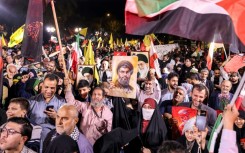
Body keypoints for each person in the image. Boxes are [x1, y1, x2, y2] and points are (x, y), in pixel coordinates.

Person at [65, 80, 113, 145]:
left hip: (97, 146)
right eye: (94, 94)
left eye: (99, 94)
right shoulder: (85, 106)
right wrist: (68, 87)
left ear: (103, 97)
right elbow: (72, 102)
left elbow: (109, 133)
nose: (96, 97)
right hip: (82, 143)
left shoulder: (108, 113)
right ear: (91, 96)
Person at [28, 74, 66, 151]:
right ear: (42, 85)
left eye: (52, 88)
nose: (49, 91)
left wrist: (56, 117)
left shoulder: (61, 102)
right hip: (33, 141)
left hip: (52, 142)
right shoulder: (32, 101)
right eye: (46, 87)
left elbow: (66, 125)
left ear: (56, 88)